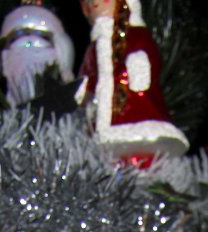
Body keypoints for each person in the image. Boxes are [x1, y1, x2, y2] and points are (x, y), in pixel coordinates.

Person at [77, 0, 189, 163]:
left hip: (134, 103)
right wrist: (83, 90)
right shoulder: (95, 46)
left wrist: (139, 65)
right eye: (87, 4)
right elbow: (89, 73)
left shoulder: (135, 34)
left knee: (141, 142)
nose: (94, 4)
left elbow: (148, 54)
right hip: (101, 113)